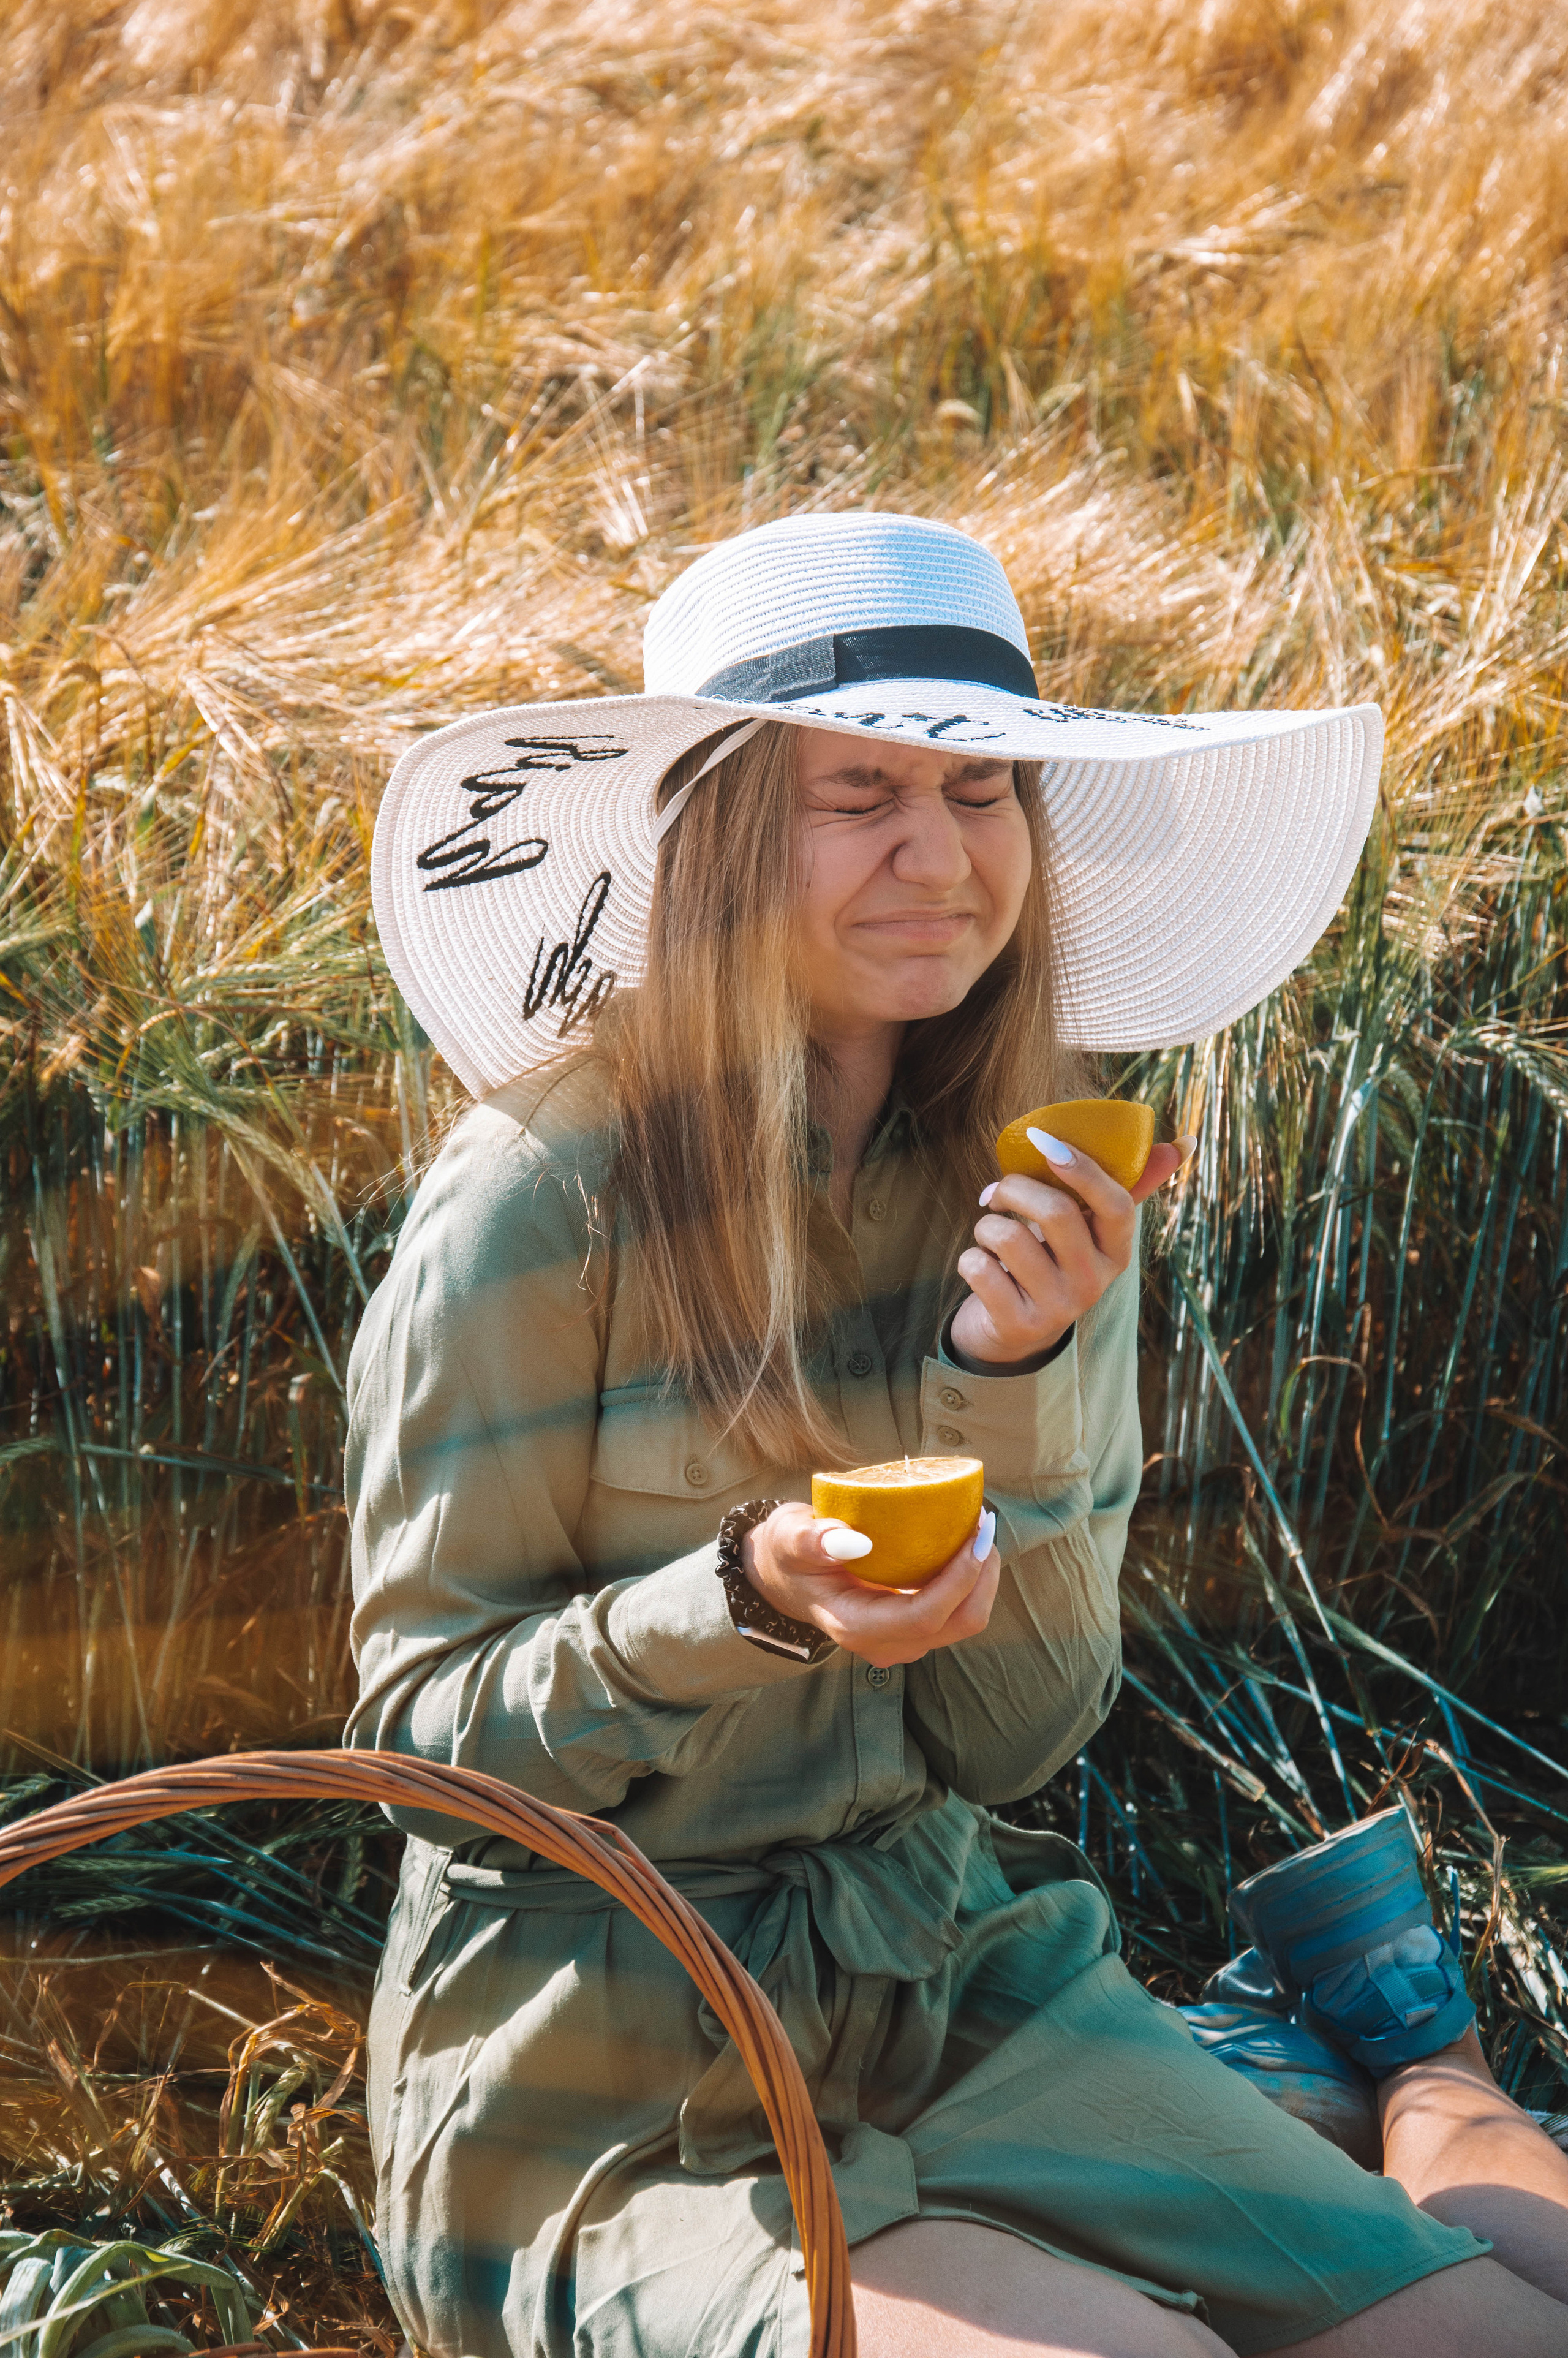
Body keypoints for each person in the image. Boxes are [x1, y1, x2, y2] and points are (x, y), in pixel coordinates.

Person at [346, 512, 1568, 2358]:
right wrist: (740, 1601)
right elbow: (416, 1738)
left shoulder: (1047, 1182)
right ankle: (1364, 2049)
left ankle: (1412, 2068)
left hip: (950, 1974)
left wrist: (1020, 1373)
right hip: (602, 2073)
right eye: (862, 795)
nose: (943, 854)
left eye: (983, 787)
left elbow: (1014, 1739)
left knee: (1494, 2338)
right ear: (730, 831)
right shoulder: (544, 1194)